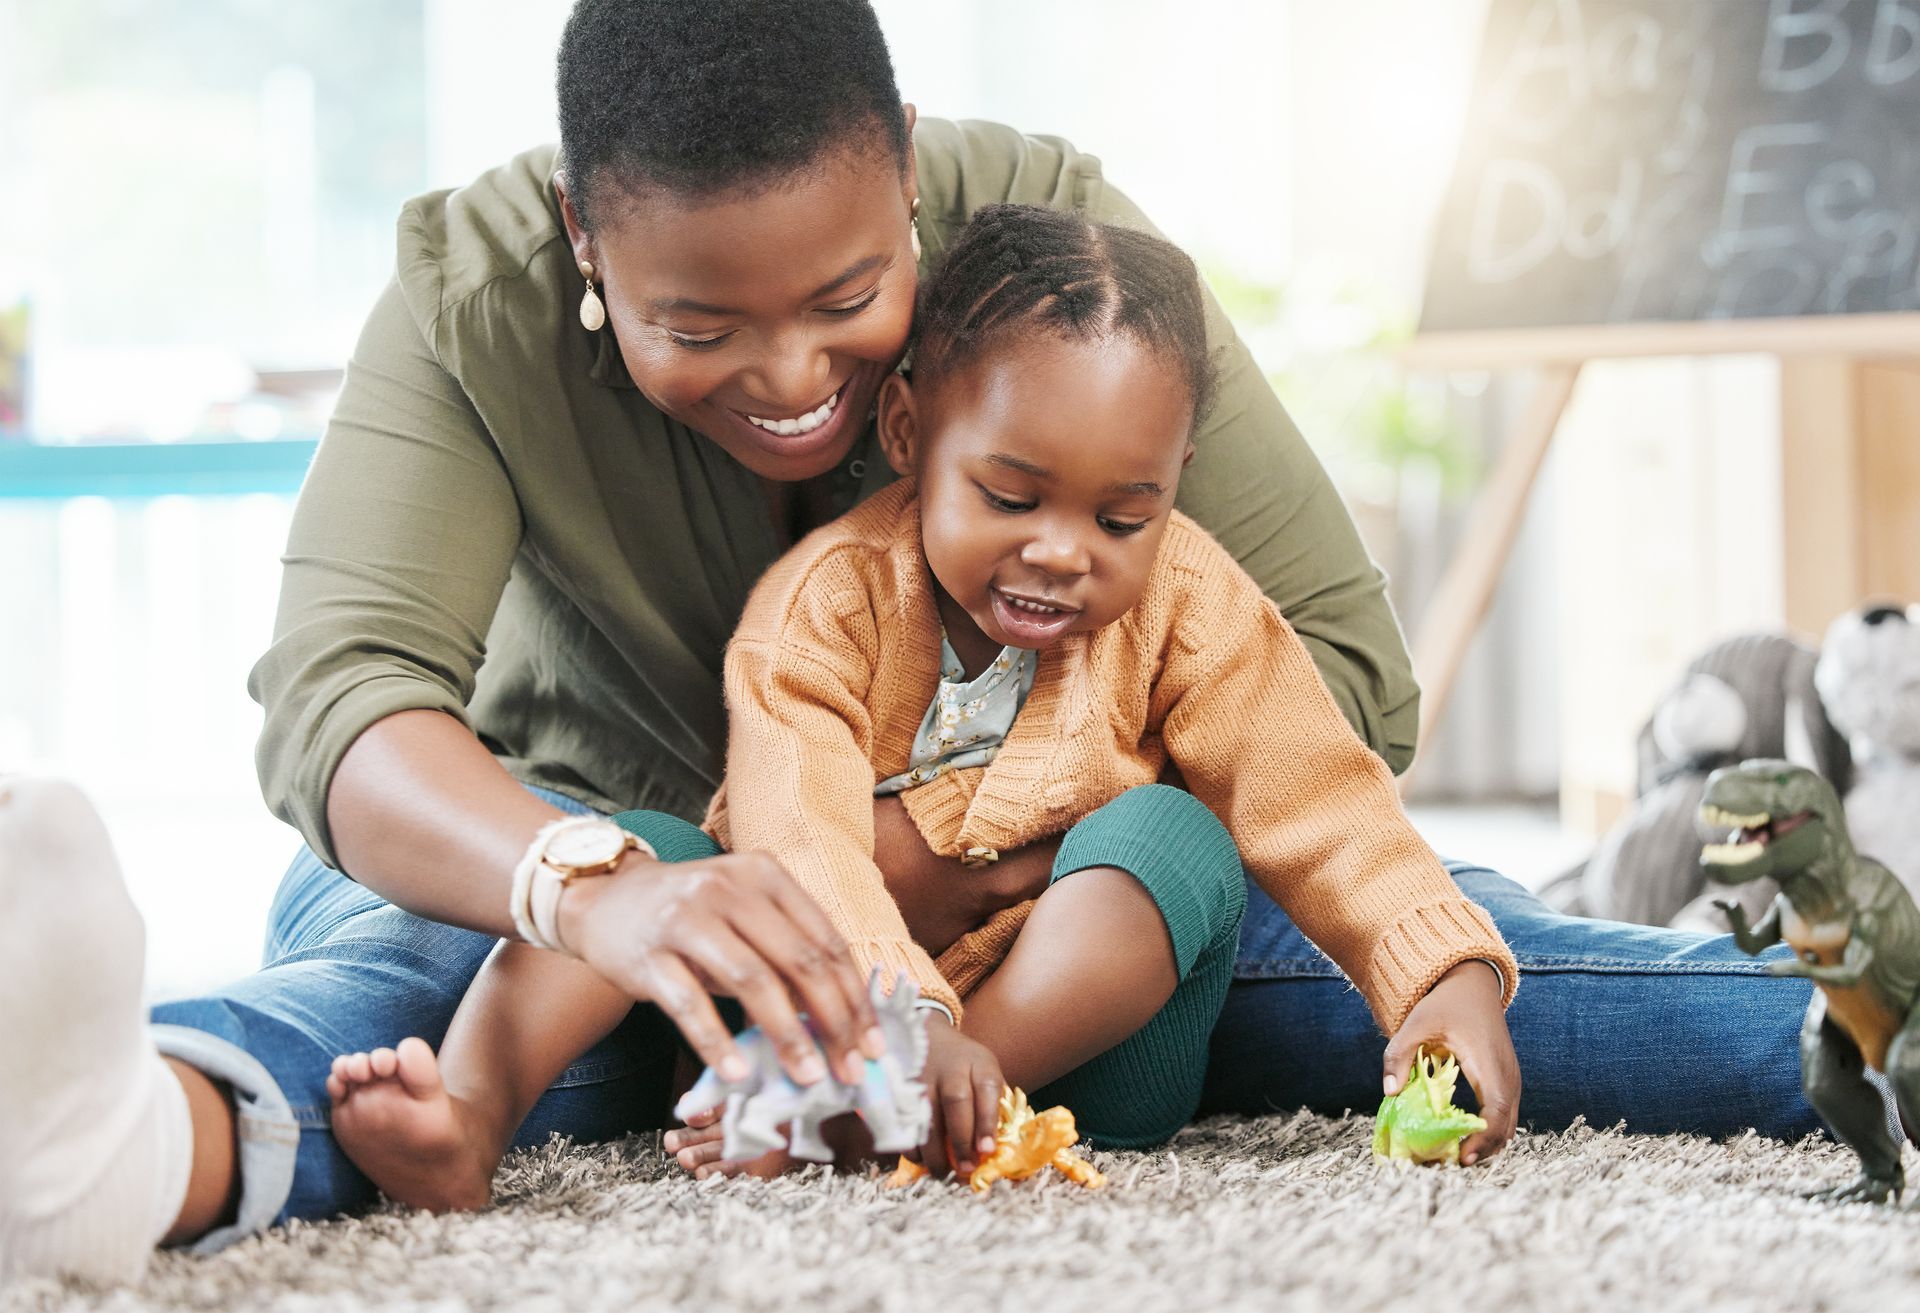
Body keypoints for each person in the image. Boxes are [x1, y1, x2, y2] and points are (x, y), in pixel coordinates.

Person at [0, 0, 1815, 1287]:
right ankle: (124, 1137)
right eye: (696, 322)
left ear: (918, 217)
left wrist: (953, 861)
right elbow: (347, 712)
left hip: (1047, 917)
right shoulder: (472, 291)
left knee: (1481, 966)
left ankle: (1851, 1019)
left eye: (851, 302)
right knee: (418, 1013)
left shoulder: (1046, 253)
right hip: (563, 901)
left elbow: (1323, 675)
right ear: (585, 241)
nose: (793, 385)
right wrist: (599, 889)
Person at [322, 204, 1523, 1209]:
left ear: (1174, 486)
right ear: (909, 434)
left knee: (1176, 838)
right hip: (820, 1025)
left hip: (1094, 1069)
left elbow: (1317, 792)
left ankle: (893, 1109)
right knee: (665, 856)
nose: (1062, 553)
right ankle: (470, 1115)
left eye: (1122, 517)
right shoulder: (826, 606)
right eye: (1009, 496)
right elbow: (802, 835)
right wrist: (898, 1020)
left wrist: (1440, 979)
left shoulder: (1195, 598)